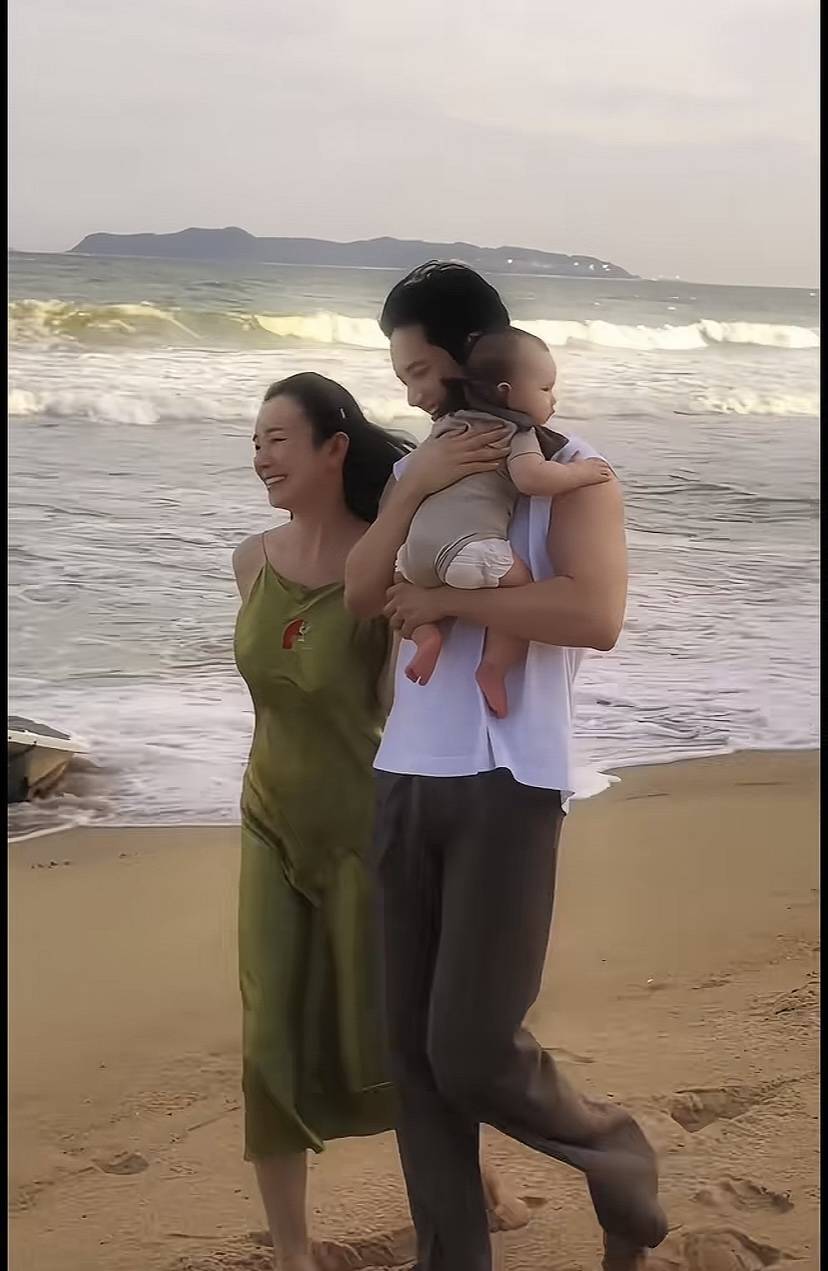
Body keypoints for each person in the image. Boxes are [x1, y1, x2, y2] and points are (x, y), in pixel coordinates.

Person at [345, 262, 669, 1271]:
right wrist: (413, 490)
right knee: (414, 1058)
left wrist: (450, 602)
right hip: (405, 774)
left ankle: (613, 1149)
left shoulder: (573, 464)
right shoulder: (419, 468)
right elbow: (362, 593)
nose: (409, 392)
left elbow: (593, 614)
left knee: (472, 1048)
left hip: (509, 778)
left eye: (418, 370)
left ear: (472, 362)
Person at [232, 371, 530, 1271]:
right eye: (254, 442)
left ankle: (474, 1184)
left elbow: (414, 700)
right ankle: (292, 1251)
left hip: (366, 832)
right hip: (269, 821)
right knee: (268, 1035)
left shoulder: (383, 572)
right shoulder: (251, 561)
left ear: (334, 448)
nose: (261, 457)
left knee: (396, 1035)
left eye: (277, 439)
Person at [397, 325, 612, 717]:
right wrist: (580, 473)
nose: (553, 399)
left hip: (413, 555)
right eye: (545, 388)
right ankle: (495, 667)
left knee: (409, 595)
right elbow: (531, 478)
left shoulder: (448, 427)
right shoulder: (515, 429)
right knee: (518, 589)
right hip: (466, 549)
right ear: (505, 392)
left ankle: (427, 638)